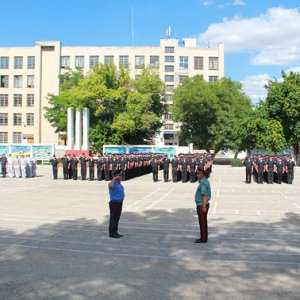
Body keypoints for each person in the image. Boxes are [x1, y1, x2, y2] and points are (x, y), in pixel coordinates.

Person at [194, 169, 211, 243]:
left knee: (202, 223)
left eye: (198, 174)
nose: (197, 175)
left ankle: (203, 238)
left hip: (201, 205)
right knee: (204, 222)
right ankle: (204, 237)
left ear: (202, 174)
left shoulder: (203, 183)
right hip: (203, 204)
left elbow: (204, 195)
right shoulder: (205, 181)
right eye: (196, 173)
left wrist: (203, 206)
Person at [108, 173, 125, 238]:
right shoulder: (112, 183)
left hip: (119, 203)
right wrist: (114, 178)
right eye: (120, 176)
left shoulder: (119, 184)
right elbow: (110, 186)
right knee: (113, 218)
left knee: (117, 218)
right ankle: (111, 233)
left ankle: (115, 232)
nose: (121, 178)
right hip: (114, 203)